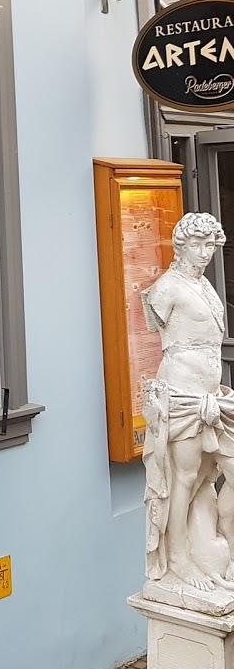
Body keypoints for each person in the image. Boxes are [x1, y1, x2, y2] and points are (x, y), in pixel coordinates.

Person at [143, 212, 234, 601]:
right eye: (197, 245)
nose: (204, 254)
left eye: (210, 246)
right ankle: (179, 557)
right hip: (183, 397)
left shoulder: (206, 286)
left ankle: (223, 548)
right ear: (180, 245)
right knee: (183, 478)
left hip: (213, 396)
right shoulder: (166, 289)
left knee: (225, 469)